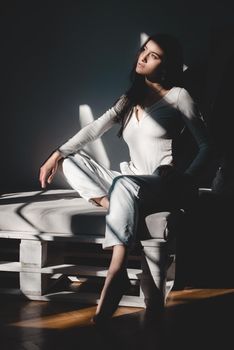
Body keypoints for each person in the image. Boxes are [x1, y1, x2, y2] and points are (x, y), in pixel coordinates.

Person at [39, 33, 211, 324]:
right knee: (73, 161)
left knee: (125, 185)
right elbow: (94, 129)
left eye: (153, 55)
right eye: (144, 50)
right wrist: (56, 154)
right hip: (128, 181)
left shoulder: (179, 97)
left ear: (166, 66)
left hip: (160, 183)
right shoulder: (129, 99)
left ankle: (116, 272)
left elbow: (209, 146)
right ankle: (118, 205)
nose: (142, 57)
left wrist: (186, 178)